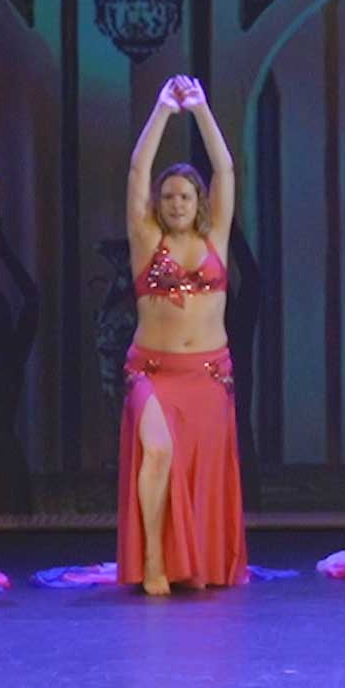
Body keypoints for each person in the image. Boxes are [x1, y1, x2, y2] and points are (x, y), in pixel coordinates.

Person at [118, 75, 246, 595]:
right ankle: (153, 558)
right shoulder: (146, 240)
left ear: (199, 202)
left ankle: (197, 561)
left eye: (186, 196)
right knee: (157, 452)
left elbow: (225, 169)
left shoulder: (216, 239)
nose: (176, 203)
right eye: (168, 196)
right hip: (154, 372)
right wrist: (162, 111)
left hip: (208, 375)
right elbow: (137, 170)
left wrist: (202, 110)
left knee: (200, 470)